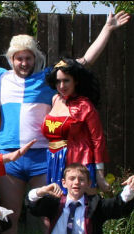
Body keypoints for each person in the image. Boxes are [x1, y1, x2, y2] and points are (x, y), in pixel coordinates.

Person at [0, 11, 130, 234]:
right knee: (9, 216)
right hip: (10, 157)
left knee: (51, 216)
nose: (23, 63)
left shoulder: (48, 80)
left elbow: (84, 61)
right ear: (11, 60)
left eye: (28, 58)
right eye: (18, 59)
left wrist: (108, 29)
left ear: (35, 58)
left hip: (44, 157)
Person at [43, 58, 108, 194]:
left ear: (76, 81)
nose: (61, 86)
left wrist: (100, 174)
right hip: (54, 162)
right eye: (58, 81)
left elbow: (98, 139)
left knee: (84, 210)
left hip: (78, 162)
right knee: (55, 209)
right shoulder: (55, 99)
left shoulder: (85, 105)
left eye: (66, 80)